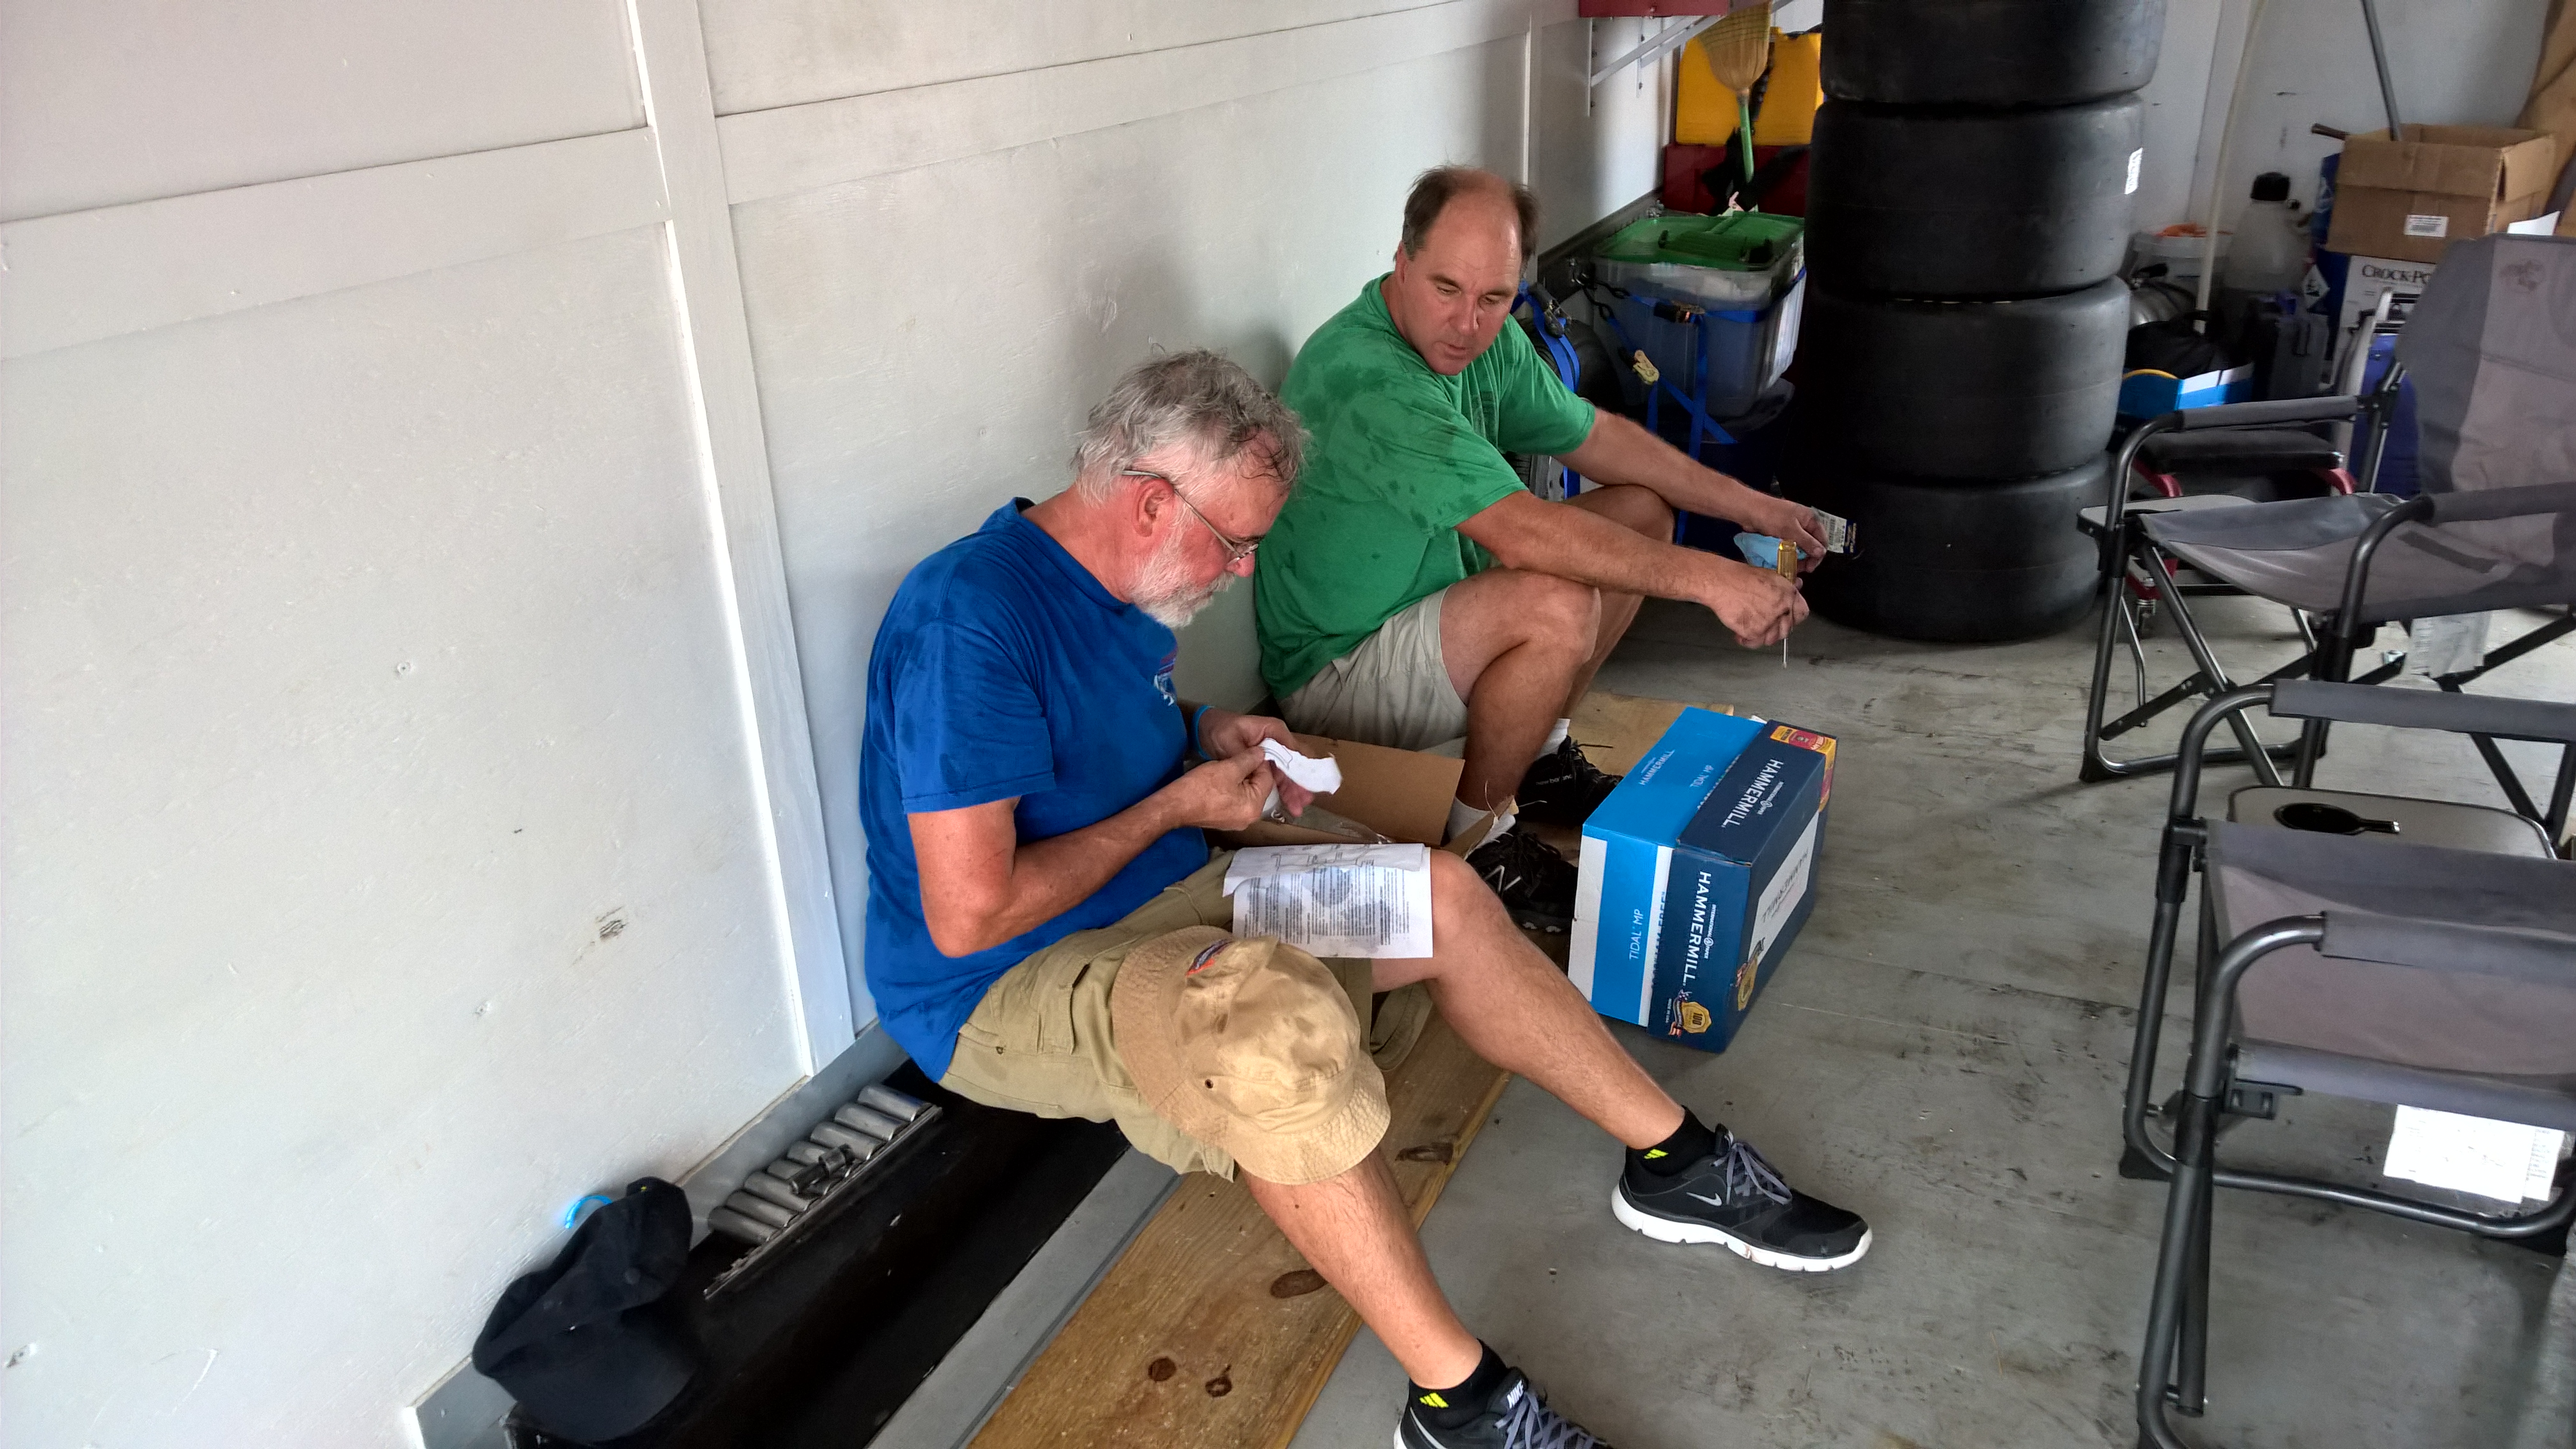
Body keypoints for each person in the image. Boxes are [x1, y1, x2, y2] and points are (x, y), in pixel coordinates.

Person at [860, 351, 1871, 1449]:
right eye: (1235, 543)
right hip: (1005, 980)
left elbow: (1098, 732)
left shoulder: (1116, 576)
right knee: (1269, 1031)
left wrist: (1209, 730)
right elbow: (972, 915)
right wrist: (1175, 807)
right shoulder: (968, 623)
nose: (1244, 570)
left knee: (1442, 892)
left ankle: (1675, 1164)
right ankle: (1459, 1408)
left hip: (1160, 887)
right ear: (1152, 502)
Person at [1256, 166, 1827, 926]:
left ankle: (1542, 758)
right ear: (1402, 261)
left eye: (1494, 298)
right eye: (1447, 289)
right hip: (1341, 672)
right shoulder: (1369, 380)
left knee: (1642, 514)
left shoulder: (1481, 343)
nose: (1467, 323)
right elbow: (1523, 532)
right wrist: (1713, 581)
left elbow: (1596, 438)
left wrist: (1758, 508)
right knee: (1557, 604)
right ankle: (1481, 843)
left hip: (1431, 609)